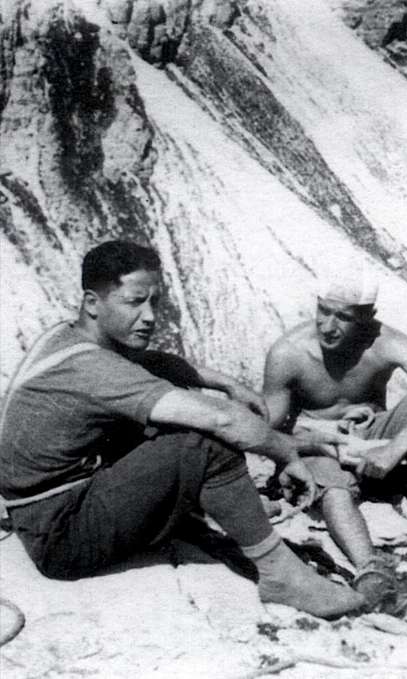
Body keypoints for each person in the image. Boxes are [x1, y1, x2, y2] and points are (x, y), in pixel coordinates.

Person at [0, 241, 362, 619]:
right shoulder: (95, 370)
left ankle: (215, 508)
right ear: (92, 303)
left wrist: (226, 383)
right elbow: (221, 420)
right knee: (204, 441)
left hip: (44, 515)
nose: (149, 316)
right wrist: (286, 452)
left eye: (154, 302)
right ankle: (280, 575)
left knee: (173, 408)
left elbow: (149, 361)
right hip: (63, 538)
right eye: (135, 302)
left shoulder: (70, 338)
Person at [261, 265, 407, 613]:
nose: (329, 326)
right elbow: (265, 429)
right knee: (331, 483)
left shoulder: (383, 342)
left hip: (374, 445)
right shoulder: (289, 354)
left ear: (367, 317)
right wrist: (319, 437)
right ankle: (371, 571)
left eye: (343, 317)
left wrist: (395, 447)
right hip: (318, 446)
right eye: (324, 312)